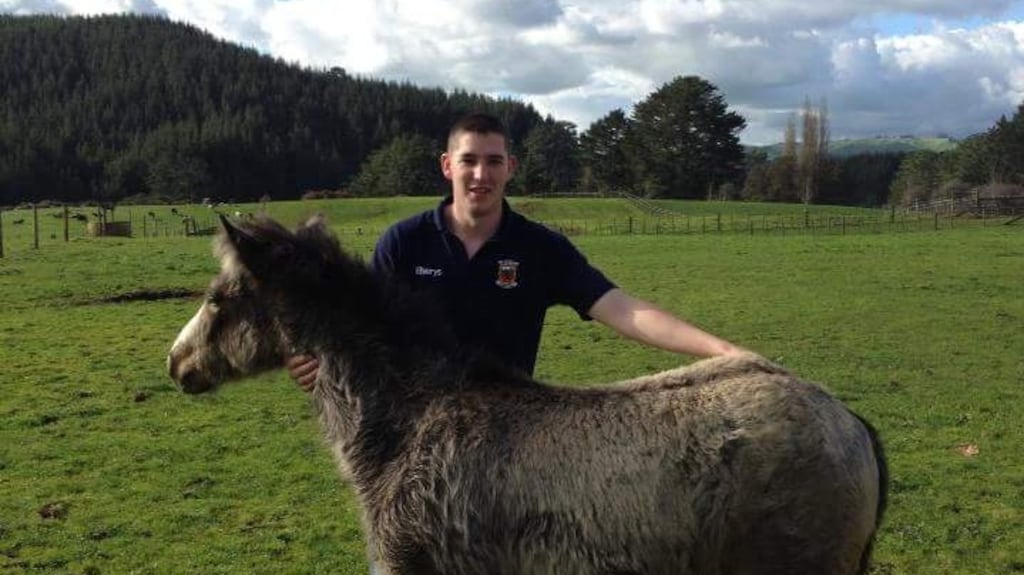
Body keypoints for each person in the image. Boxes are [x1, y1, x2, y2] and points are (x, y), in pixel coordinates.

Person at [287, 112, 746, 390]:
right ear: (448, 166)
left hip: (510, 436)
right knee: (398, 553)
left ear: (511, 168)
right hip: (416, 437)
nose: (480, 174)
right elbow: (365, 328)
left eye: (493, 161)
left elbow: (622, 309)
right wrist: (322, 360)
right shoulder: (403, 243)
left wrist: (722, 350)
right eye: (468, 160)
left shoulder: (540, 248)